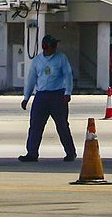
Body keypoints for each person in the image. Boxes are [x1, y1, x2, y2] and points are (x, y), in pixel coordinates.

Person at [19, 33, 77, 162]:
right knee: (35, 126)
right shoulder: (37, 60)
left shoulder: (61, 58)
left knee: (62, 125)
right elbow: (31, 80)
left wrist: (68, 92)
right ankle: (32, 153)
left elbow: (68, 75)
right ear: (46, 46)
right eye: (53, 45)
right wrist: (26, 97)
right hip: (41, 96)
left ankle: (70, 153)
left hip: (58, 95)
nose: (56, 47)